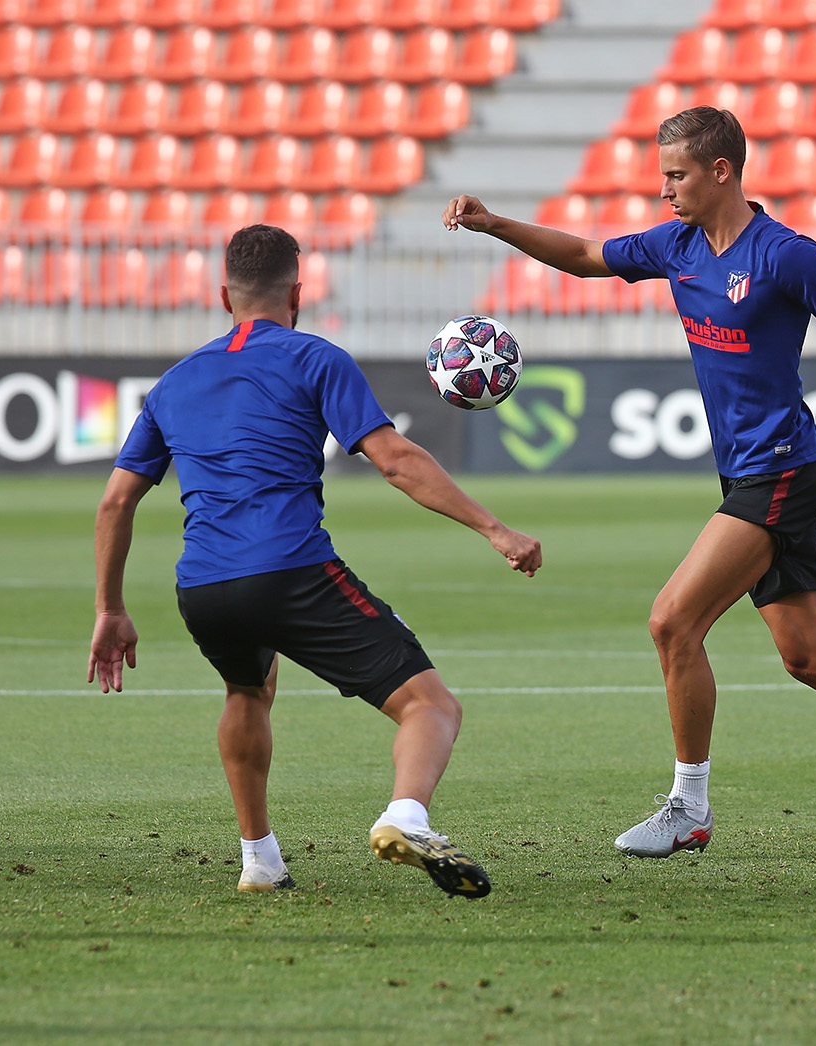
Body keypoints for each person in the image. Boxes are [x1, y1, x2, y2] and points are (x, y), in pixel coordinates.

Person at [445, 106, 816, 861]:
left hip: (779, 471)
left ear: (720, 171)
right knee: (810, 659)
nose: (663, 188)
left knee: (672, 622)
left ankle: (687, 807)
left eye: (675, 174)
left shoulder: (784, 255)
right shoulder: (676, 245)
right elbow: (581, 253)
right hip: (751, 470)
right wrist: (494, 224)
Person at [88, 224, 541, 898]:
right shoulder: (315, 358)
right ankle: (405, 816)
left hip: (203, 585)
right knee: (430, 706)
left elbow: (115, 504)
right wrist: (494, 529)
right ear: (297, 293)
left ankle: (260, 859)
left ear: (222, 296)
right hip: (289, 569)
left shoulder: (173, 383)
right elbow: (396, 461)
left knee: (247, 690)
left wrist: (110, 608)